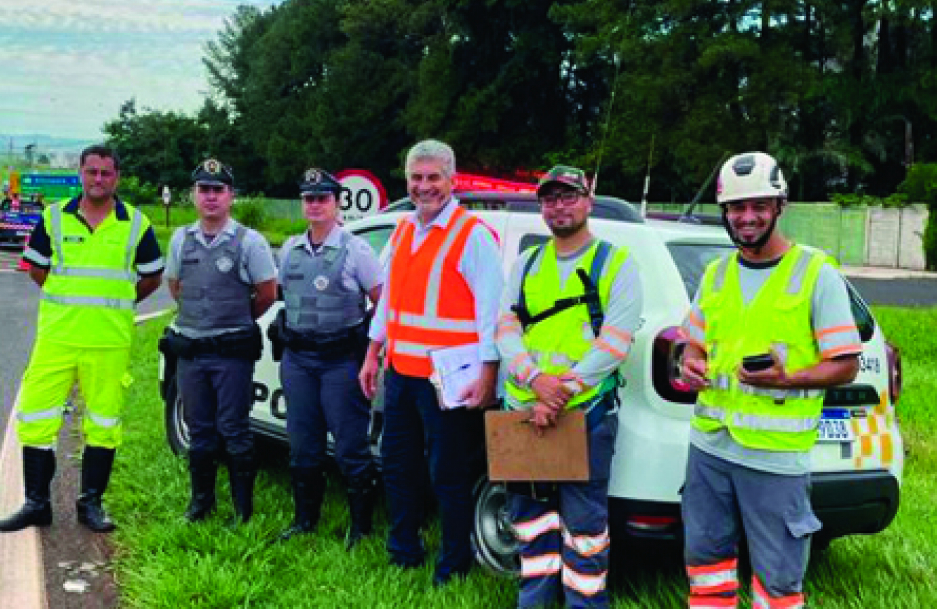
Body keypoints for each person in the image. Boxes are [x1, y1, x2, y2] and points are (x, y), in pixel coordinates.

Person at [678, 152, 862, 609]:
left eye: (759, 205)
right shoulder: (716, 273)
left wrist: (788, 380)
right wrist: (689, 361)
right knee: (706, 569)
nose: (747, 217)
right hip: (710, 448)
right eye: (737, 208)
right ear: (723, 212)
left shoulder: (815, 272)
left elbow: (846, 363)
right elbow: (693, 343)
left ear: (780, 206)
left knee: (778, 584)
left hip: (775, 459)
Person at [0, 144, 164, 534]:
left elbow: (152, 277)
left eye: (106, 173)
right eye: (92, 172)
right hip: (57, 338)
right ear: (81, 174)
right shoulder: (53, 219)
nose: (98, 179)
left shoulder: (136, 224)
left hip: (109, 341)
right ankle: (37, 503)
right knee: (36, 417)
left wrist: (118, 305)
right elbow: (37, 270)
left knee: (103, 423)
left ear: (116, 177)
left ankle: (91, 504)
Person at [358, 139, 503, 586]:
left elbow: (491, 312)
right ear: (407, 181)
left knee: (449, 474)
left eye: (433, 177)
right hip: (401, 374)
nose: (424, 187)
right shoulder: (402, 231)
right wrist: (372, 351)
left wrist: (488, 374)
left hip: (450, 381)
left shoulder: (471, 234)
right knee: (399, 467)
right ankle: (404, 550)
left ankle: (453, 563)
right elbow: (389, 303)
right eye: (417, 178)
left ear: (451, 180)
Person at [496, 167, 642, 608]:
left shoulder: (616, 263)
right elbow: (505, 326)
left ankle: (585, 604)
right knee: (529, 520)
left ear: (588, 200)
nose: (559, 206)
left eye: (569, 196)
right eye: (550, 199)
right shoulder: (527, 263)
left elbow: (615, 341)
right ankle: (534, 601)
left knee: (585, 527)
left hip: (586, 414)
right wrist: (534, 380)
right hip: (524, 412)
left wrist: (560, 393)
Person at [273, 168, 384, 548]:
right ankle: (305, 520)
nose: (315, 205)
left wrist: (369, 348)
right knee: (303, 444)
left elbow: (381, 303)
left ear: (337, 203)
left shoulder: (357, 250)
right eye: (309, 198)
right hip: (299, 360)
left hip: (340, 361)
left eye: (322, 198)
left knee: (351, 445)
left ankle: (360, 528)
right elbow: (282, 298)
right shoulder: (289, 249)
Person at [165, 158, 277, 524]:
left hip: (231, 352)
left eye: (218, 190)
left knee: (234, 429)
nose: (210, 197)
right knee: (200, 430)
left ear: (231, 196)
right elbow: (177, 287)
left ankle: (242, 511)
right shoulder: (182, 239)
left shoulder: (250, 242)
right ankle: (201, 504)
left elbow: (266, 294)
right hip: (192, 352)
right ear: (194, 195)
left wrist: (231, 319)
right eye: (203, 190)